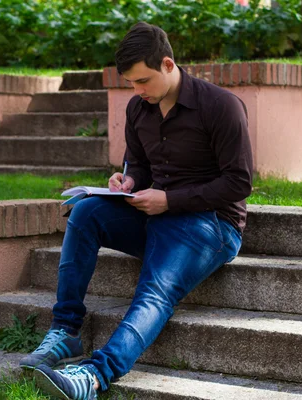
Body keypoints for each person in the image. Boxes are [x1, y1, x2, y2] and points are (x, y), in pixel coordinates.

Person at [19, 21, 253, 400]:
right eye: (130, 83)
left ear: (166, 64)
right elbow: (140, 166)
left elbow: (239, 183)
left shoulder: (221, 106)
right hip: (155, 213)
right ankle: (65, 332)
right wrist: (127, 182)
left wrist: (170, 200)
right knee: (85, 212)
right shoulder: (138, 109)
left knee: (155, 290)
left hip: (211, 225)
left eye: (142, 81)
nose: (137, 90)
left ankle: (93, 378)